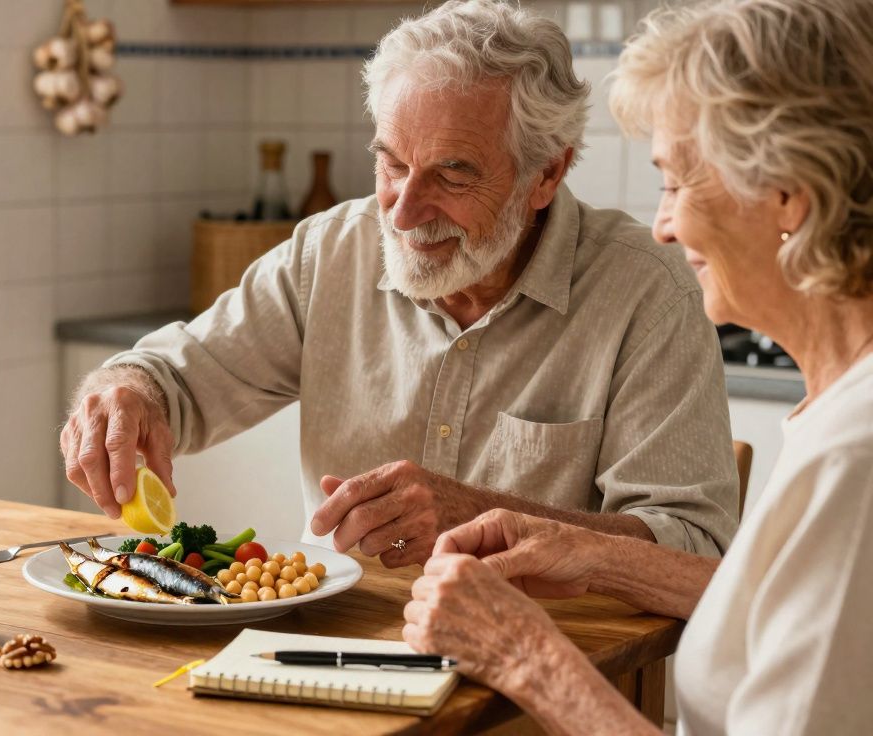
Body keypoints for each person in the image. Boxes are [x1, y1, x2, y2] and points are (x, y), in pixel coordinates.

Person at [60, 0, 739, 566]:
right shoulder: (331, 250)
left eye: (452, 175)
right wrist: (124, 394)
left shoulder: (648, 294)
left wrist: (486, 519)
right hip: (326, 656)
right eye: (390, 164)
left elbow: (693, 549)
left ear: (547, 175)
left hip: (537, 683)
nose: (404, 211)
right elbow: (173, 381)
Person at [403, 0, 873, 732]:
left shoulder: (856, 462)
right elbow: (792, 612)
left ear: (789, 197)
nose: (662, 223)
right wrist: (592, 556)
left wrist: (525, 656)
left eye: (677, 182)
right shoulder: (844, 417)